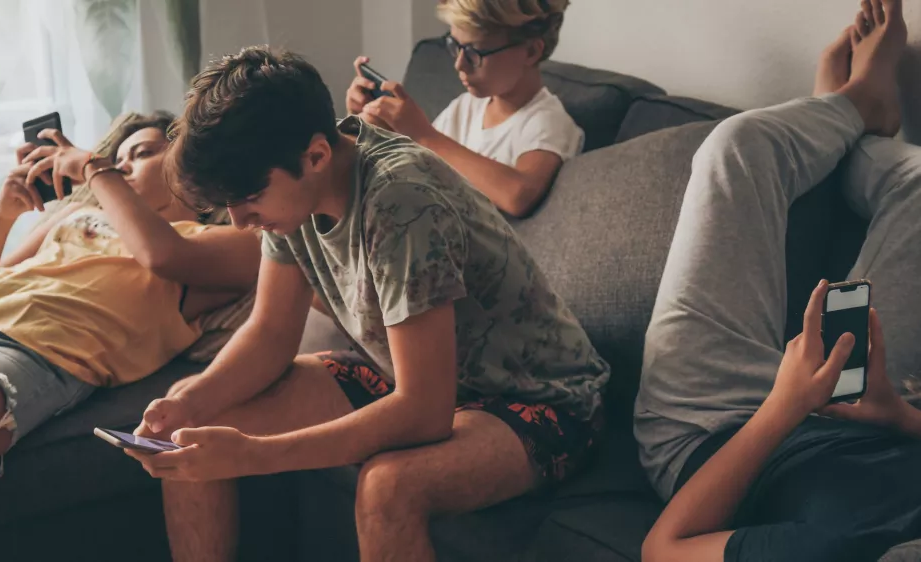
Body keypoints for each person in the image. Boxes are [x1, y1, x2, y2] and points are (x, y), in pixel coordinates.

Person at [126, 46, 610, 562]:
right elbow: (270, 334)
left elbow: (424, 413)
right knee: (186, 424)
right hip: (417, 381)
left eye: (247, 198)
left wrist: (254, 455)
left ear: (315, 157)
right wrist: (190, 402)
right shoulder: (289, 182)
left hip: (541, 401)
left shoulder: (400, 201)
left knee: (388, 487)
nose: (239, 220)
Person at [635, 1, 921, 560]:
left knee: (738, 148)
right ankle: (852, 121)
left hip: (716, 427)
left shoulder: (840, 550)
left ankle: (848, 108)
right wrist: (899, 415)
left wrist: (785, 406)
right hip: (869, 409)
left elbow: (663, 549)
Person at [0, 112, 261, 512]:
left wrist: (93, 168)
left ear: (189, 164)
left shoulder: (226, 241)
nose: (122, 166)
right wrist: (1, 216)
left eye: (142, 153)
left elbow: (162, 256)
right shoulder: (77, 217)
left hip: (16, 350)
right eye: (117, 160)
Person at [344, 0, 583, 218]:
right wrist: (370, 117)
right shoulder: (466, 107)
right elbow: (416, 164)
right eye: (456, 46)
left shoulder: (548, 121)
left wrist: (424, 135)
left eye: (474, 52)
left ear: (531, 51)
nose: (459, 64)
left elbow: (518, 194)